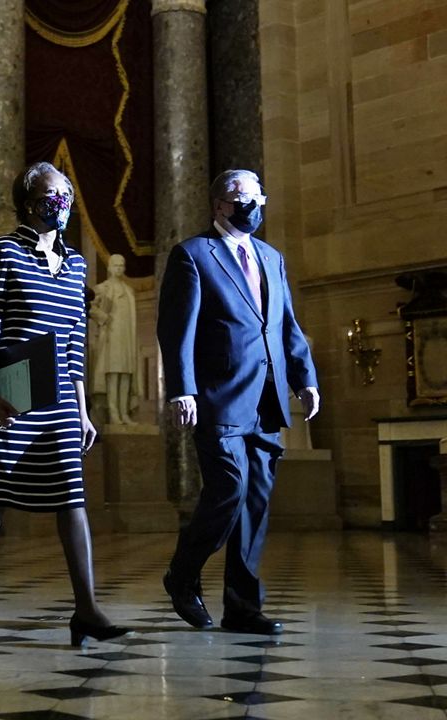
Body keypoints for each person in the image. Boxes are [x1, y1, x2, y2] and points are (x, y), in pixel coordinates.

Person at [0, 162, 126, 645]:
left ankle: (87, 608)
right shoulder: (2, 251)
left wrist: (82, 411)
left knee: (72, 497)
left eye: (68, 194)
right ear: (30, 201)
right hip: (6, 393)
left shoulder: (76, 264)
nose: (64, 203)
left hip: (56, 399)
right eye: (55, 195)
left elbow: (74, 342)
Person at [157, 168, 320, 636]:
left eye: (257, 198)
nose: (252, 207)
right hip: (219, 398)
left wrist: (305, 378)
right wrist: (181, 388)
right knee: (228, 492)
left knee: (255, 503)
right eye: (240, 199)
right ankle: (182, 575)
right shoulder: (192, 255)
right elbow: (176, 330)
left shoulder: (272, 257)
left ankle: (243, 608)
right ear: (219, 205)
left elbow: (286, 324)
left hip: (267, 401)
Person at [90, 254, 138, 425]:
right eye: (116, 265)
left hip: (126, 337)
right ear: (109, 268)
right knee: (112, 375)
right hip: (110, 336)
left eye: (122, 265)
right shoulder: (103, 288)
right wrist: (103, 317)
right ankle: (114, 412)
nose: (119, 268)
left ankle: (124, 412)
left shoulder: (129, 290)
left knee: (126, 375)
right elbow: (89, 306)